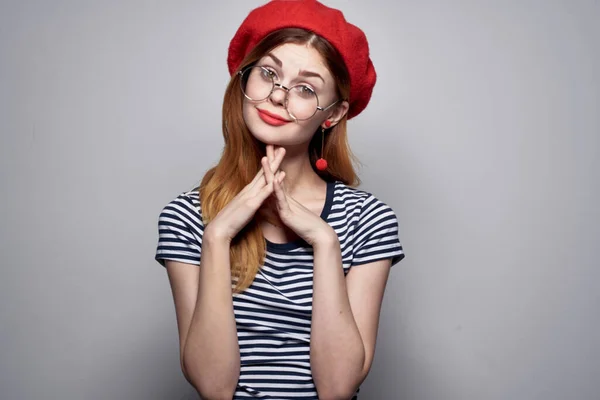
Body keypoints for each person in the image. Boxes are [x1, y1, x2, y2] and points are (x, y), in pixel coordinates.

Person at [155, 1, 405, 399]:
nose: (277, 96)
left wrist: (323, 240)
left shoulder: (367, 218)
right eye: (268, 73)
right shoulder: (187, 216)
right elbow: (213, 386)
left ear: (334, 114)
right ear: (244, 79)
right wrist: (217, 237)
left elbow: (338, 388)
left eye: (306, 88)